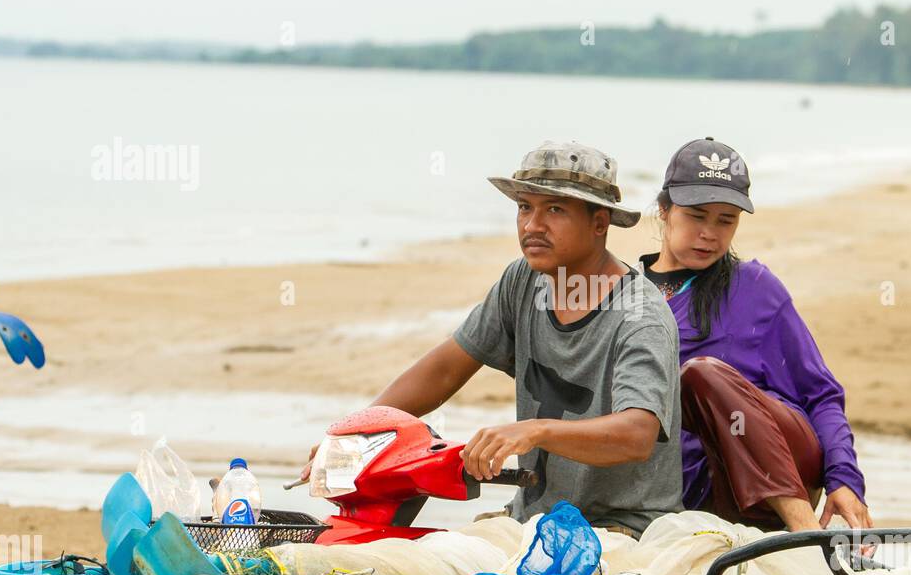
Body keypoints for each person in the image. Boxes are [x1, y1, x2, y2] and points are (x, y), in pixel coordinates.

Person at [309, 141, 682, 538]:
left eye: (555, 209)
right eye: (525, 207)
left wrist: (534, 431)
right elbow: (445, 368)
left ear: (599, 223)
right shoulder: (522, 280)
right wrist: (351, 436)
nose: (532, 225)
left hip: (618, 529)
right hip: (531, 519)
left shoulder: (641, 316)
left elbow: (636, 435)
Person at [639, 137, 872, 534]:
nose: (710, 233)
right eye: (697, 216)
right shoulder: (627, 295)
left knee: (700, 375)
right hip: (689, 495)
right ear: (664, 210)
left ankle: (805, 534)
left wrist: (844, 479)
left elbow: (821, 394)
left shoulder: (755, 288)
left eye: (725, 220)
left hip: (782, 470)